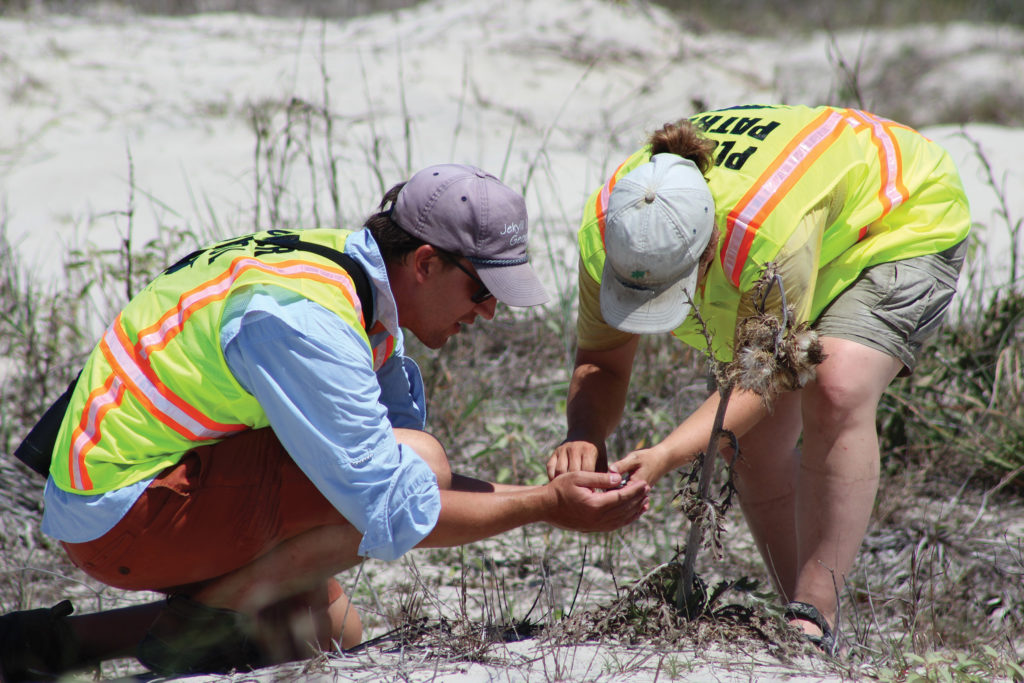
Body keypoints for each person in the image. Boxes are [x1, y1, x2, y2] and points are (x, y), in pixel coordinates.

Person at [0, 163, 650, 681]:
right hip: (120, 510)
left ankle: (56, 642)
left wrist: (561, 495)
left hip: (149, 489)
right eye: (484, 291)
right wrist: (543, 507)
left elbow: (396, 482)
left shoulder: (349, 275)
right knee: (419, 462)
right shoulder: (308, 318)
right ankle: (198, 626)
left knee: (331, 632)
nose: (488, 314)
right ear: (425, 263)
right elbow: (389, 500)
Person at [547, 104, 970, 653]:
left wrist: (667, 453)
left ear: (706, 252)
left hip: (897, 211)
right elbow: (602, 361)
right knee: (751, 444)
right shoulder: (613, 227)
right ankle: (803, 624)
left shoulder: (762, 240)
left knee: (836, 385)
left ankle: (814, 616)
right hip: (814, 219)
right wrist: (584, 434)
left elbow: (768, 373)